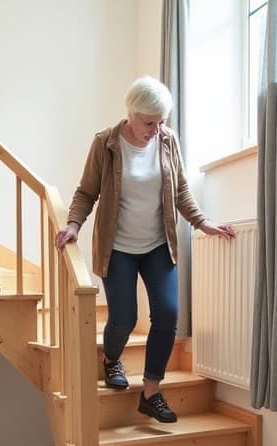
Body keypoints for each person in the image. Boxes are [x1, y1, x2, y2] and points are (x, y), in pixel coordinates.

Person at [55, 76, 235, 424]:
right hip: (117, 246)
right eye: (149, 122)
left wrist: (202, 223)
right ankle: (111, 359)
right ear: (131, 114)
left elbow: (180, 189)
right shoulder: (105, 144)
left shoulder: (167, 141)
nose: (156, 129)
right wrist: (74, 224)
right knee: (123, 318)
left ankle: (151, 392)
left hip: (157, 243)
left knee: (167, 314)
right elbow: (85, 192)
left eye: (161, 122)